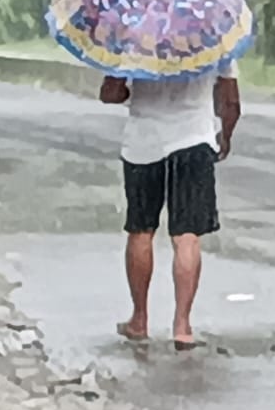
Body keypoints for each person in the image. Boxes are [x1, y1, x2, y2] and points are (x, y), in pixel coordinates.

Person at [100, 64, 240, 350]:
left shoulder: (135, 36)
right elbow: (231, 102)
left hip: (143, 143)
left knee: (141, 230)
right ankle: (182, 326)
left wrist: (129, 91)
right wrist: (225, 135)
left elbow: (110, 93)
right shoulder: (215, 34)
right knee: (187, 236)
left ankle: (139, 319)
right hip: (194, 141)